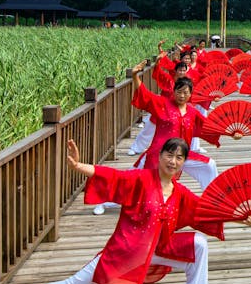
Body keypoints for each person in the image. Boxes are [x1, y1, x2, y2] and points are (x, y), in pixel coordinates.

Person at [0, 138, 251, 284]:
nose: (173, 161)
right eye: (169, 155)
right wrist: (79, 166)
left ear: (184, 163)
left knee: (198, 243)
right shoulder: (141, 179)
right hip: (125, 252)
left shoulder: (180, 193)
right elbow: (112, 176)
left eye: (179, 158)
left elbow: (205, 211)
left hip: (159, 249)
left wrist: (241, 217)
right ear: (160, 156)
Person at [94, 61, 219, 215]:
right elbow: (145, 95)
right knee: (137, 184)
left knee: (209, 165)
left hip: (181, 155)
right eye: (179, 92)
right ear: (173, 91)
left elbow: (210, 126)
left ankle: (213, 203)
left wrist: (232, 133)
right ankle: (105, 201)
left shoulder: (192, 112)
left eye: (185, 93)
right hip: (158, 155)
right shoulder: (163, 104)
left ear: (190, 94)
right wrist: (135, 76)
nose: (181, 95)